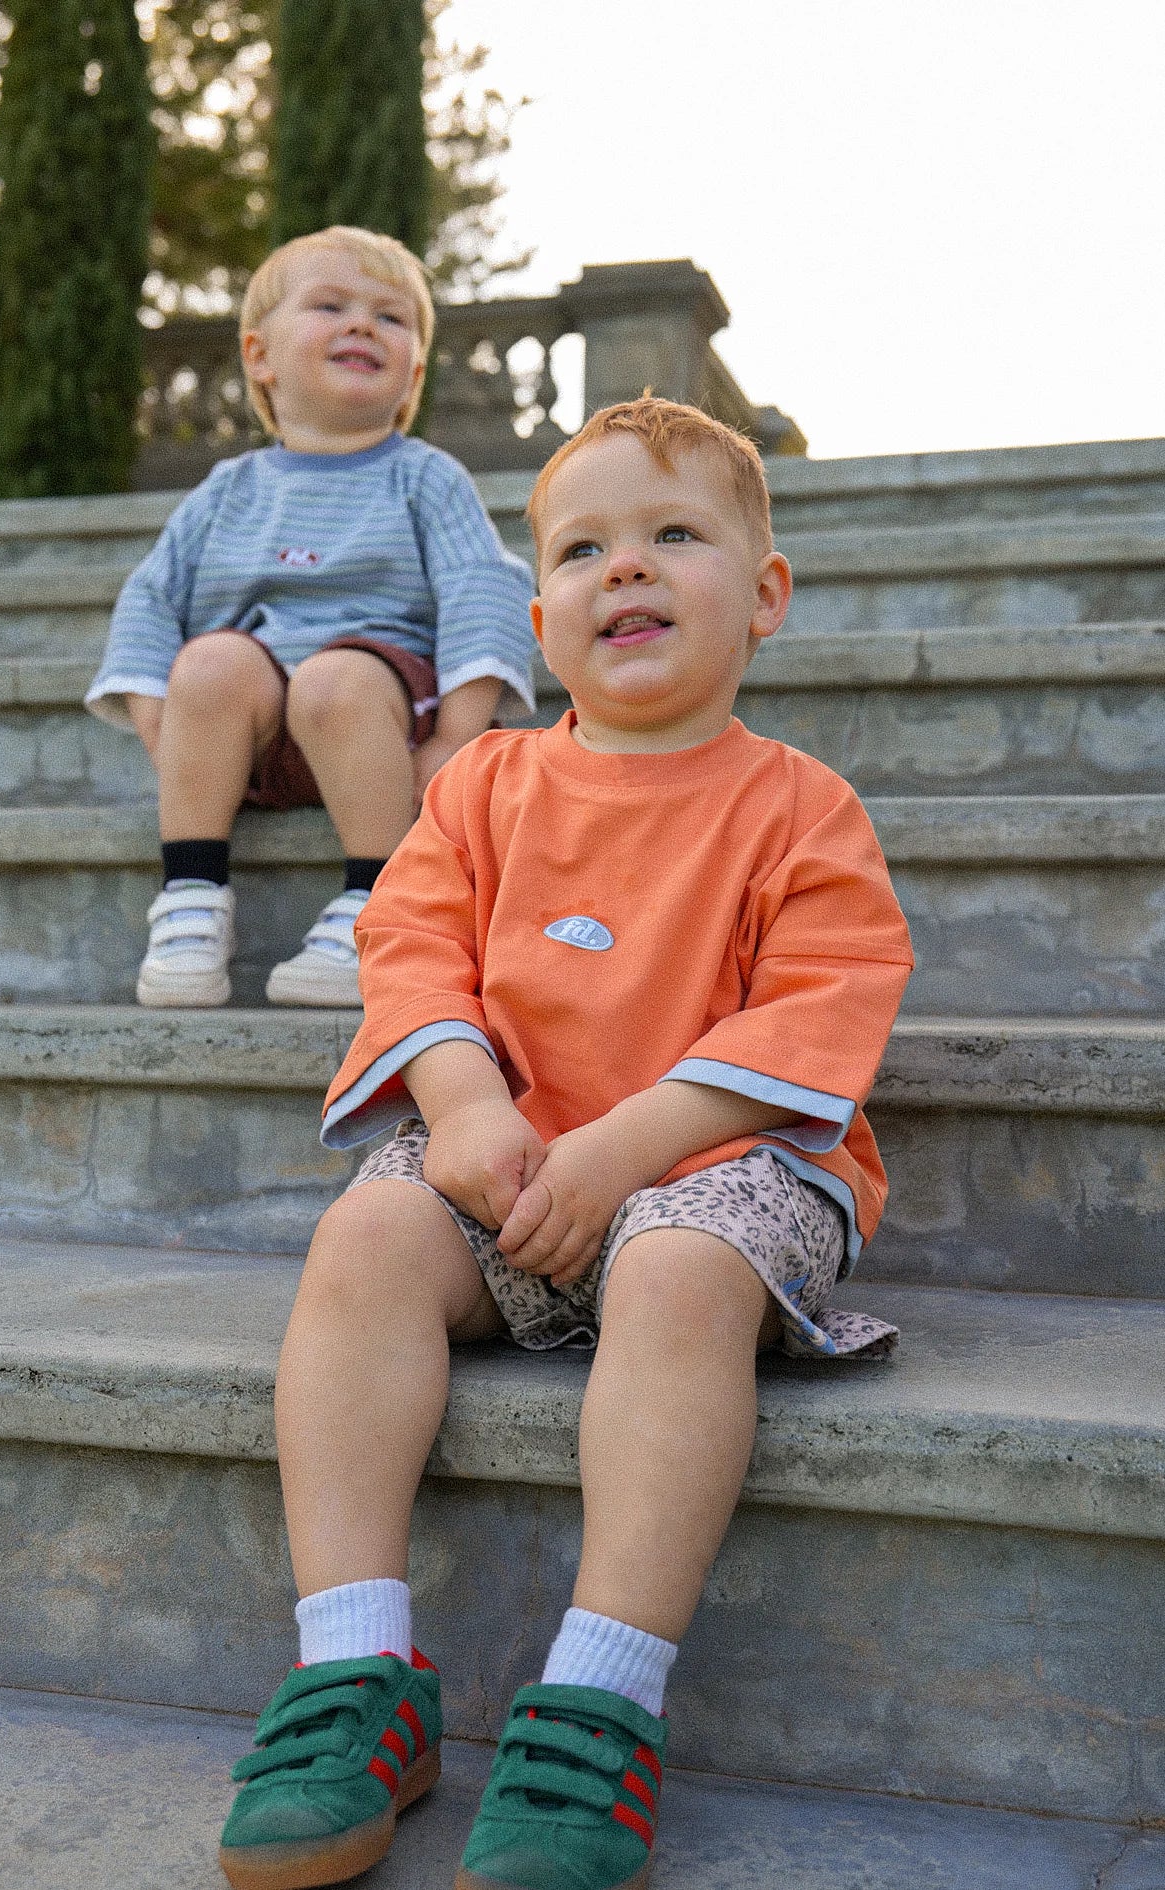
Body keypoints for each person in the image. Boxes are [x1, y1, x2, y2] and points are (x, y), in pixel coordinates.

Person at [217, 397, 916, 1890]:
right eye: (587, 549)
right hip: (509, 1165)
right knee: (364, 1235)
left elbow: (816, 1014)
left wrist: (624, 1149)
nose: (629, 571)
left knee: (671, 1269)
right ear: (540, 620)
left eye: (676, 536)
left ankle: (601, 1696)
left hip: (727, 1174)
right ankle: (357, 1673)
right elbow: (411, 950)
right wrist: (467, 1104)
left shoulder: (803, 809)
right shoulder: (479, 785)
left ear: (766, 595)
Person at [85, 225, 536, 1009]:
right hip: (252, 735)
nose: (363, 324)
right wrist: (166, 725)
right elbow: (149, 600)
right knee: (210, 661)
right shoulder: (228, 489)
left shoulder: (425, 479)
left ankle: (379, 899)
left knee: (333, 678)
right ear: (260, 357)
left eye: (391, 318)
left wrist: (458, 738)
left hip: (375, 725)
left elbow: (480, 589)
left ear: (413, 374)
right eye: (330, 305)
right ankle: (192, 893)